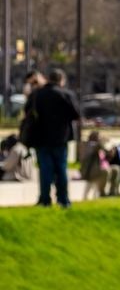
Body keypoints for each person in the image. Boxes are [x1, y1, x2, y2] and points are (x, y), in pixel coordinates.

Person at [21, 68, 81, 208]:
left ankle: (44, 199)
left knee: (45, 170)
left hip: (41, 138)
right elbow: (76, 114)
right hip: (61, 138)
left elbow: (27, 111)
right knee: (61, 169)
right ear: (62, 80)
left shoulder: (37, 94)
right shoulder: (66, 94)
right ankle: (63, 199)